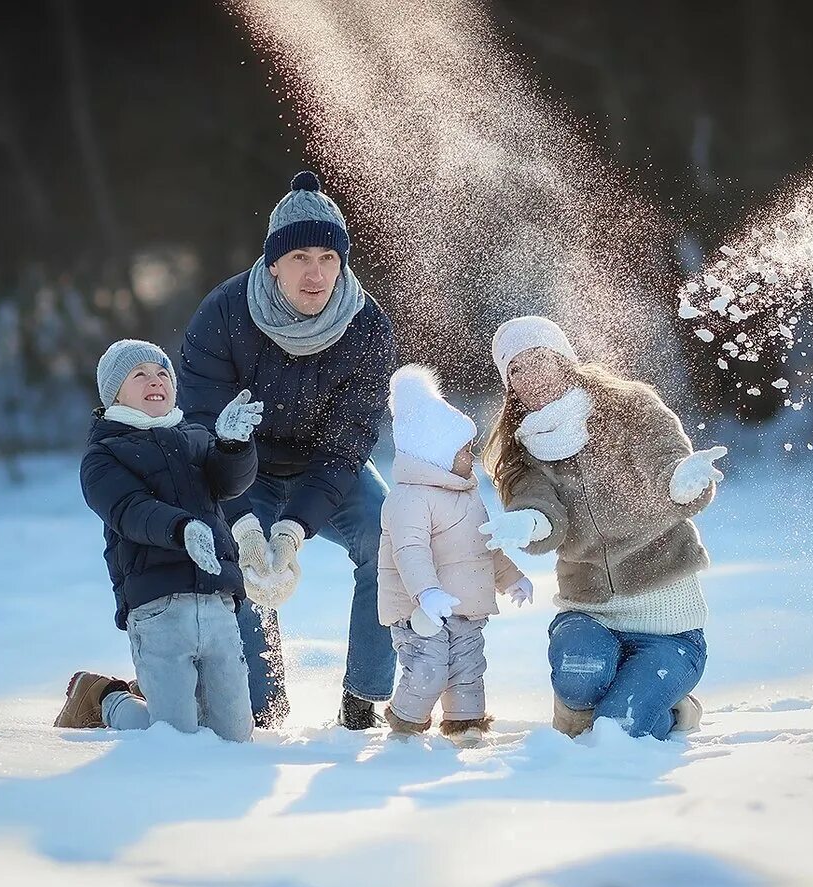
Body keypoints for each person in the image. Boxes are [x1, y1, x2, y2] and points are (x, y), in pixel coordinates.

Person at [178, 170, 397, 729]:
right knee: (242, 559)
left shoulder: (367, 326)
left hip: (328, 468)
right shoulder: (224, 314)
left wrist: (295, 527)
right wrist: (249, 525)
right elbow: (203, 430)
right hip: (242, 467)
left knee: (387, 533)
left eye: (328, 256)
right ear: (273, 263)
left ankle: (363, 698)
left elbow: (349, 443)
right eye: (301, 256)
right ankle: (264, 703)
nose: (316, 272)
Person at [479, 317, 723, 739]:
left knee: (618, 727)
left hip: (668, 632)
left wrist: (683, 481)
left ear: (564, 361)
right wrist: (531, 521)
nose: (530, 375)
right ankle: (583, 702)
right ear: (509, 387)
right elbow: (539, 505)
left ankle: (672, 711)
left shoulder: (628, 407)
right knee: (579, 672)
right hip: (588, 614)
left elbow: (669, 465)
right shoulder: (523, 448)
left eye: (540, 360)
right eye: (515, 369)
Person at [53, 339, 264, 741]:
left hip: (217, 600)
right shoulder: (104, 455)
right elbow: (128, 510)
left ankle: (157, 691)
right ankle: (105, 699)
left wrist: (234, 446)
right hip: (157, 606)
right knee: (173, 735)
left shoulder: (196, 438)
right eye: (140, 374)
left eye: (163, 372)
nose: (156, 380)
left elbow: (230, 482)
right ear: (115, 392)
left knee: (235, 735)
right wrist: (181, 528)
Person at [377, 365, 534, 738]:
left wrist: (512, 578)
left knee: (467, 666)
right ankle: (406, 723)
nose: (471, 455)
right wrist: (426, 593)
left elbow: (483, 546)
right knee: (429, 666)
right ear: (435, 454)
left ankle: (466, 723)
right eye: (463, 449)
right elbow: (409, 550)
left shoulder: (465, 493)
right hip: (420, 607)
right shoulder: (409, 498)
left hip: (465, 606)